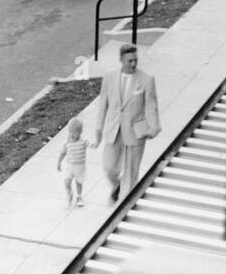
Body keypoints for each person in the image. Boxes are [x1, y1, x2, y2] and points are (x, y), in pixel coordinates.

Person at [92, 42, 160, 202]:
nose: (134, 63)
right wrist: (98, 131)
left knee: (130, 172)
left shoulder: (146, 79)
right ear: (121, 60)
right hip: (114, 128)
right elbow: (103, 105)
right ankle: (117, 187)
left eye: (135, 60)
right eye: (130, 61)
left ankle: (123, 206)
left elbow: (151, 105)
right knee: (109, 168)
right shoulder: (109, 77)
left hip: (136, 131)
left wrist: (154, 127)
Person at [56, 117, 89, 208]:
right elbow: (62, 153)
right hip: (70, 166)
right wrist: (59, 162)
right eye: (70, 132)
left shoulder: (83, 141)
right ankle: (70, 193)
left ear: (80, 132)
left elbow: (90, 144)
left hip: (80, 166)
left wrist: (94, 144)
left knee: (79, 182)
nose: (72, 134)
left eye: (75, 132)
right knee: (67, 181)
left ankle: (79, 197)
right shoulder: (66, 142)